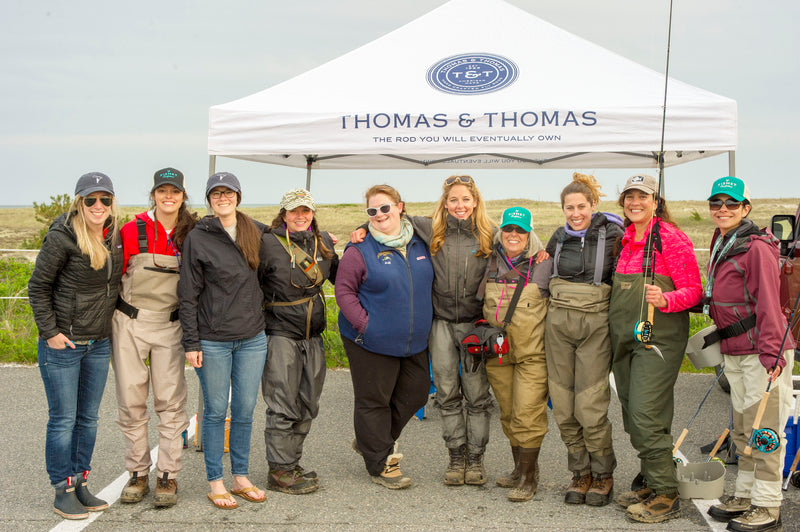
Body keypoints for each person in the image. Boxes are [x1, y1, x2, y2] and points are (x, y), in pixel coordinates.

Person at [350, 175, 497, 485]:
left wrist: (541, 252)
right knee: (446, 393)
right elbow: (386, 219)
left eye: (465, 200)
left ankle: (475, 459)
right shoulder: (429, 228)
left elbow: (521, 245)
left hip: (474, 327)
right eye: (453, 200)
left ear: (476, 202)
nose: (460, 205)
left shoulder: (490, 235)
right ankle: (456, 458)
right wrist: (361, 231)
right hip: (441, 324)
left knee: (477, 396)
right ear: (445, 203)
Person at [28, 172, 124, 519]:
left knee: (88, 419)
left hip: (98, 343)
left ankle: (81, 481)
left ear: (113, 202)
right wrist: (51, 331)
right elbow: (38, 287)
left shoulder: (115, 235)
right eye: (91, 200)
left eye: (105, 199)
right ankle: (62, 489)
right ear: (79, 202)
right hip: (63, 345)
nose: (98, 206)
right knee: (63, 419)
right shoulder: (63, 237)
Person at [703, 176, 795, 532]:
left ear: (746, 208)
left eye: (731, 204)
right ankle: (745, 494)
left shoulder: (756, 247)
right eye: (716, 203)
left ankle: (769, 506)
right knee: (743, 427)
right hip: (734, 349)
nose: (722, 209)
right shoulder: (723, 240)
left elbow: (770, 306)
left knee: (766, 430)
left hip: (761, 351)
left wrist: (773, 356)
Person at [609, 174, 702, 524]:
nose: (635, 202)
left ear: (656, 201)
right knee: (634, 415)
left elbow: (694, 290)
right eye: (629, 196)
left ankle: (666, 493)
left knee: (646, 414)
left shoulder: (670, 238)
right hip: (625, 338)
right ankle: (651, 479)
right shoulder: (626, 240)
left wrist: (666, 298)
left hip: (656, 340)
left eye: (643, 196)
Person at [178, 172, 267, 509]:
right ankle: (215, 481)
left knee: (244, 410)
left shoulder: (254, 230)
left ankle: (240, 477)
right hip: (213, 339)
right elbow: (187, 294)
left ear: (238, 196)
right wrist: (191, 343)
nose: (222, 198)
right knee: (216, 411)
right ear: (209, 199)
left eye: (228, 192)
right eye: (216, 193)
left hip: (252, 338)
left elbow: (290, 240)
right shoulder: (198, 238)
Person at [336, 184, 433, 489]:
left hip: (414, 340)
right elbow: (343, 292)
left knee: (416, 393)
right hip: (371, 340)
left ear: (400, 207)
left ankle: (370, 439)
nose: (379, 215)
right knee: (374, 400)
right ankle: (380, 462)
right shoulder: (360, 249)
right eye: (372, 211)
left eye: (385, 208)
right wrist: (367, 325)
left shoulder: (421, 241)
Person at [112, 168, 198, 508]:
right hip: (130, 323)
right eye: (162, 191)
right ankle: (137, 474)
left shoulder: (192, 232)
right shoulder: (131, 230)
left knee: (171, 402)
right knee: (131, 400)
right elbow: (111, 277)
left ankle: (168, 476)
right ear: (153, 194)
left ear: (182, 196)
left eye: (174, 191)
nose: (168, 196)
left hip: (171, 325)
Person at [543, 173, 624, 507]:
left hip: (595, 324)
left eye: (581, 206)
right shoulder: (558, 237)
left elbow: (627, 275)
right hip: (558, 324)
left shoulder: (614, 233)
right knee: (563, 406)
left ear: (593, 204)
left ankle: (603, 473)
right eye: (569, 207)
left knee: (589, 406)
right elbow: (542, 272)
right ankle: (580, 472)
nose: (575, 213)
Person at [258, 188, 338, 495]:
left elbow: (343, 277)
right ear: (284, 214)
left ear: (313, 213)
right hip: (280, 335)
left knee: (308, 403)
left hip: (313, 336)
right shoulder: (267, 244)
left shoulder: (325, 243)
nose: (300, 216)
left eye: (306, 211)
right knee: (282, 404)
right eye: (294, 211)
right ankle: (279, 471)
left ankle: (291, 463)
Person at [479, 206, 552, 502]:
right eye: (508, 229)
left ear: (530, 234)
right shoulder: (488, 261)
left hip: (532, 356)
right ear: (501, 231)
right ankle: (517, 470)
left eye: (520, 231)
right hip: (498, 353)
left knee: (527, 414)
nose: (513, 235)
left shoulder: (546, 263)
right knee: (508, 413)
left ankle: (529, 478)